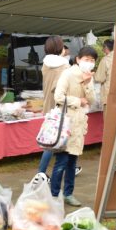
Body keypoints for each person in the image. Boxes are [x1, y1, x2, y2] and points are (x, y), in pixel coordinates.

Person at [51, 46, 98, 206]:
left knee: (72, 162)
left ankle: (68, 193)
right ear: (78, 59)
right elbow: (58, 96)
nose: (89, 63)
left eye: (92, 60)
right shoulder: (68, 74)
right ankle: (54, 194)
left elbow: (92, 100)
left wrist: (87, 83)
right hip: (66, 123)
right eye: (86, 59)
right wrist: (78, 101)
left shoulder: (89, 77)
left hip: (79, 124)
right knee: (62, 162)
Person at [38, 35, 70, 176]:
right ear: (60, 47)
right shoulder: (64, 65)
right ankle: (41, 172)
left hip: (48, 105)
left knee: (53, 140)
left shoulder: (45, 64)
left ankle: (66, 168)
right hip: (60, 106)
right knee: (58, 141)